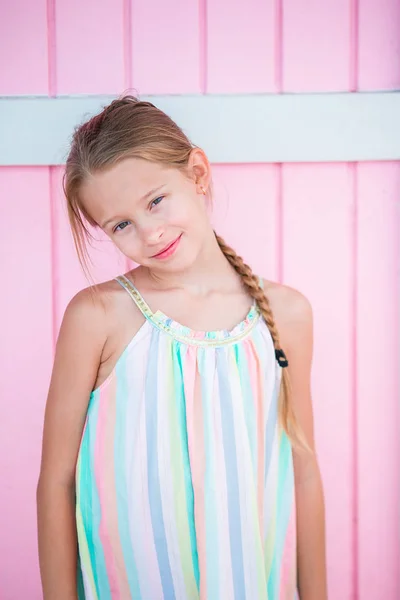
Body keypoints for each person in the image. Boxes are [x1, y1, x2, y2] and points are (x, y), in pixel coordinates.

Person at [37, 95, 327, 599]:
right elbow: (56, 484)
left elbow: (302, 471)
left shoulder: (286, 314)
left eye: (155, 200)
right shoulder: (98, 317)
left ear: (197, 173)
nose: (149, 233)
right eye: (120, 225)